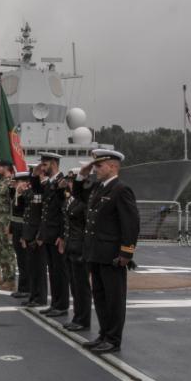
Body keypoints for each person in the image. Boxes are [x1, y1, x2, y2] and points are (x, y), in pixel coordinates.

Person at [71, 149, 140, 354]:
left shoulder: (121, 190)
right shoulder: (98, 189)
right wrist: (81, 175)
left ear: (112, 166)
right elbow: (77, 194)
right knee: (100, 297)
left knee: (114, 299)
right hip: (96, 253)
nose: (96, 169)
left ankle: (113, 339)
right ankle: (104, 334)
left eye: (99, 166)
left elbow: (131, 224)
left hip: (112, 256)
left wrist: (126, 254)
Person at [32, 153, 69, 319]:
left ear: (54, 163)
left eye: (45, 165)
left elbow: (64, 212)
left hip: (57, 236)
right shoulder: (49, 184)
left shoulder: (63, 183)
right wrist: (34, 174)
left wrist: (62, 236)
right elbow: (37, 193)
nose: (43, 168)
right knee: (53, 272)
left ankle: (61, 306)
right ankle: (54, 303)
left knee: (60, 272)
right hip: (48, 234)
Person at [57, 169, 90, 332]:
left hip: (80, 248)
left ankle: (83, 319)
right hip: (71, 246)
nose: (69, 183)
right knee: (74, 286)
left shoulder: (83, 202)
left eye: (72, 180)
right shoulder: (69, 200)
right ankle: (77, 316)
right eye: (69, 180)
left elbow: (87, 227)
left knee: (81, 286)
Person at [19, 160, 49, 307]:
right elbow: (28, 214)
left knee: (39, 269)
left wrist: (39, 236)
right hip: (31, 234)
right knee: (32, 268)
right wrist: (25, 235)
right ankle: (33, 296)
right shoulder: (34, 190)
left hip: (37, 236)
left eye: (34, 173)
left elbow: (42, 215)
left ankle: (40, 297)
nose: (31, 177)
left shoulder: (44, 189)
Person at [9, 169, 32, 299]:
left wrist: (24, 235)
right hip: (17, 229)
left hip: (23, 229)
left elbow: (27, 214)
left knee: (24, 260)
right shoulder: (17, 193)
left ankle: (26, 288)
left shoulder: (26, 195)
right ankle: (23, 287)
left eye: (18, 181)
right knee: (21, 260)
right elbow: (14, 214)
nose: (16, 184)